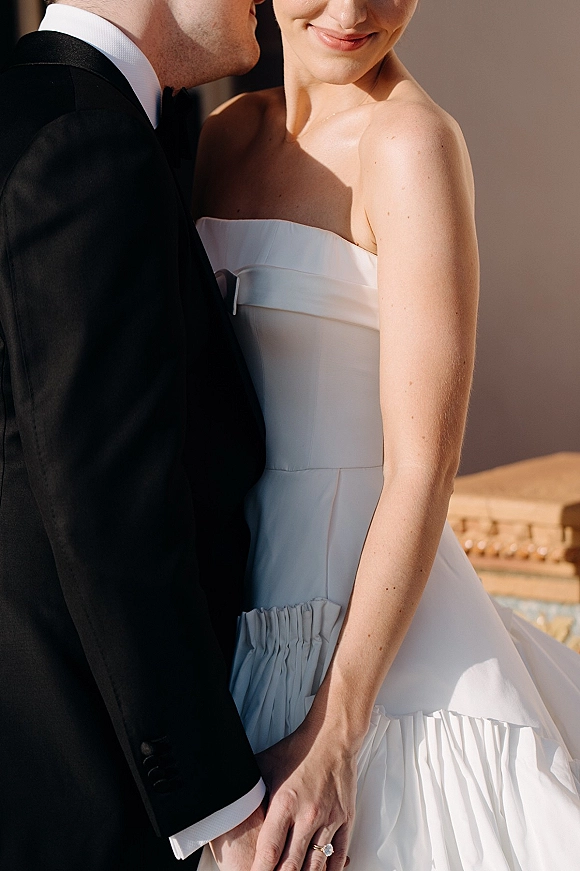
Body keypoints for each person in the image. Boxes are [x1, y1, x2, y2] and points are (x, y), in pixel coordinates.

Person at [194, 1, 580, 869]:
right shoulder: (219, 138)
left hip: (363, 639)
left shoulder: (412, 146)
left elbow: (423, 469)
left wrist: (337, 732)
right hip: (232, 608)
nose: (354, 11)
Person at [0, 0, 281, 868]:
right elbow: (109, 508)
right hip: (82, 768)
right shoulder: (90, 139)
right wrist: (216, 803)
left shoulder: (34, 106)